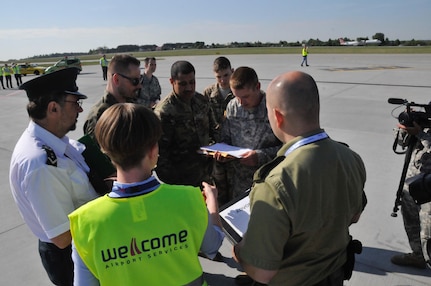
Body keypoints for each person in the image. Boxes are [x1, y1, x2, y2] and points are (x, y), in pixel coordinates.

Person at [233, 71, 367, 285]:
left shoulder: (275, 182)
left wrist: (240, 251)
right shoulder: (351, 158)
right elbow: (354, 216)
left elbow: (261, 272)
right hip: (334, 276)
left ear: (277, 117)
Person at [69, 103, 224, 286]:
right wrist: (212, 204)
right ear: (153, 150)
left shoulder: (84, 222)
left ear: (105, 151)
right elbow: (212, 246)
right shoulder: (189, 198)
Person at [9, 68, 99, 285]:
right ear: (53, 108)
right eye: (75, 103)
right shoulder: (40, 164)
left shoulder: (54, 141)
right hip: (71, 258)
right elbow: (62, 237)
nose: (80, 109)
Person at [217, 66, 281, 201]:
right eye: (237, 97)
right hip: (239, 184)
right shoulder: (232, 106)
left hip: (269, 182)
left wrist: (260, 156)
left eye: (246, 96)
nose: (241, 102)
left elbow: (289, 148)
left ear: (257, 86)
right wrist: (223, 153)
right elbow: (226, 138)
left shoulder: (273, 108)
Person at [154, 60, 217, 187]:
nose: (189, 88)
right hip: (180, 182)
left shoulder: (202, 102)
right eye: (182, 84)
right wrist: (172, 180)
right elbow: (160, 153)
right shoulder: (164, 112)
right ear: (172, 82)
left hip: (205, 175)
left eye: (192, 82)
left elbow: (214, 131)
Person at [391, 121, 431, 268]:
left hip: (429, 190)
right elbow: (402, 142)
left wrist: (420, 134)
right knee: (410, 220)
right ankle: (418, 255)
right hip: (413, 183)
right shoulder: (425, 118)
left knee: (428, 231)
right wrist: (404, 128)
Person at [84, 54, 141, 137]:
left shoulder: (133, 105)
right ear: (116, 79)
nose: (139, 85)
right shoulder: (100, 118)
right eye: (135, 81)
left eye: (140, 79)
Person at [203, 56, 235, 204]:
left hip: (235, 151)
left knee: (237, 191)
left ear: (232, 71)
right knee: (219, 193)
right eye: (218, 77)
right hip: (215, 153)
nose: (222, 80)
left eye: (226, 75)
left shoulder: (238, 92)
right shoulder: (208, 94)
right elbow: (203, 122)